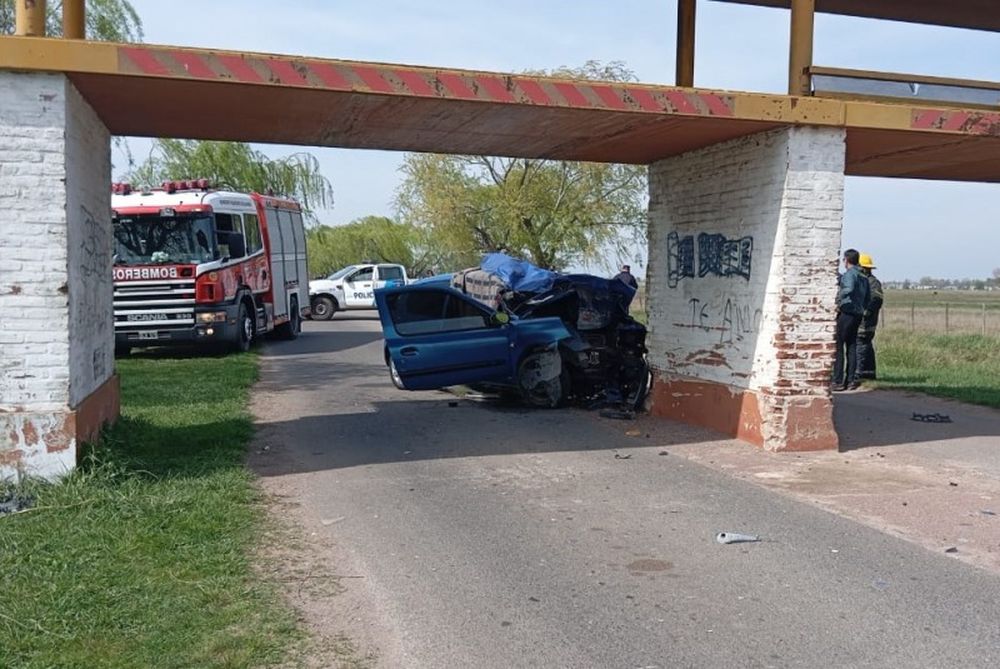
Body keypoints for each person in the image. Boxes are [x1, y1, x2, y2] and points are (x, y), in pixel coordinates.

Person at [833, 249, 870, 391]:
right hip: (858, 314)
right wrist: (862, 308)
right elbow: (867, 297)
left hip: (847, 312)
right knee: (852, 345)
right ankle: (851, 380)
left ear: (846, 260)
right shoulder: (863, 276)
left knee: (839, 345)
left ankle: (837, 380)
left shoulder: (850, 274)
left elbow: (848, 288)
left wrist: (838, 300)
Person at [855, 253, 883, 383]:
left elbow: (876, 300)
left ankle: (859, 373)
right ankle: (869, 373)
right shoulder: (866, 281)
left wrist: (865, 312)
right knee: (865, 345)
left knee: (861, 345)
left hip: (866, 322)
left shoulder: (872, 282)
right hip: (864, 321)